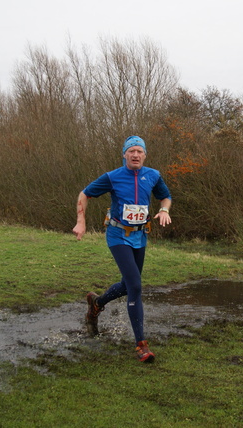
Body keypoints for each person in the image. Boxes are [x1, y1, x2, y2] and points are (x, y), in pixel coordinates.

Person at [72, 135, 172, 363]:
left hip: (140, 235)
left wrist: (165, 210)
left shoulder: (153, 175)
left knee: (128, 285)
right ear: (124, 155)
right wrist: (81, 221)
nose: (135, 155)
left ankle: (97, 303)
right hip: (117, 235)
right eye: (131, 151)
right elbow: (84, 194)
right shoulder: (113, 177)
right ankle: (141, 345)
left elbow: (165, 196)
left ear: (145, 155)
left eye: (139, 151)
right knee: (135, 285)